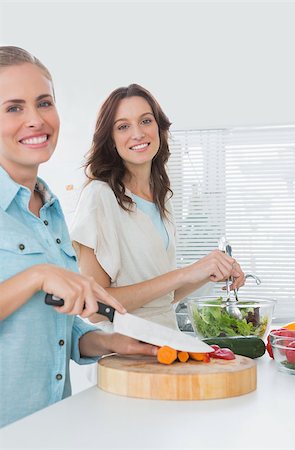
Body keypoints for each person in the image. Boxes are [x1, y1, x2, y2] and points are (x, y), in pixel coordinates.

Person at [0, 47, 157, 429]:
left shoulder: (51, 208)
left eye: (44, 102)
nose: (36, 120)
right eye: (14, 108)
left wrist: (108, 343)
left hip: (53, 424)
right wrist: (36, 276)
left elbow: (56, 329)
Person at [70, 83, 245, 332]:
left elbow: (162, 298)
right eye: (123, 126)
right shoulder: (100, 196)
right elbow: (96, 307)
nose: (138, 134)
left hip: (164, 342)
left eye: (146, 121)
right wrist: (187, 272)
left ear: (159, 128)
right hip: (121, 351)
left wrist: (209, 271)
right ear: (110, 140)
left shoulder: (161, 197)